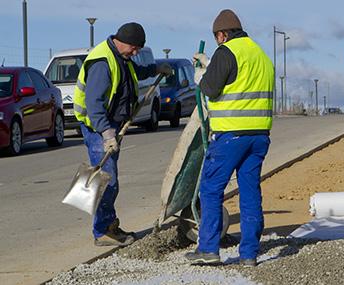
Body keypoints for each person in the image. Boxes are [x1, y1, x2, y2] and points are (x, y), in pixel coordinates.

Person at [184, 9, 274, 267]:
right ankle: (249, 254)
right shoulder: (260, 54)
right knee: (250, 192)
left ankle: (208, 249)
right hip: (259, 136)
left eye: (217, 38)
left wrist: (201, 74)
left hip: (231, 136)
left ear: (222, 35)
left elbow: (211, 88)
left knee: (210, 189)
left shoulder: (227, 52)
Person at [73, 22, 171, 246]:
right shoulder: (102, 63)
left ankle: (106, 224)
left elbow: (133, 73)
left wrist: (156, 69)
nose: (136, 52)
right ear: (122, 41)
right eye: (134, 48)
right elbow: (94, 103)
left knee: (107, 179)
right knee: (107, 181)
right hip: (98, 128)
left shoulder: (121, 58)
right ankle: (103, 231)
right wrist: (107, 134)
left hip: (112, 126)